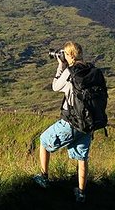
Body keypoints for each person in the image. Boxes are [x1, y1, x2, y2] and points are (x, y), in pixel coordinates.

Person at [34, 41, 93, 203]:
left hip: (72, 122)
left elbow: (55, 86)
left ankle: (44, 177)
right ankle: (81, 193)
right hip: (88, 123)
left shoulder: (70, 72)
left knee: (44, 141)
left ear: (70, 56)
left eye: (64, 54)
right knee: (82, 158)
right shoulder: (91, 70)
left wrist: (61, 66)